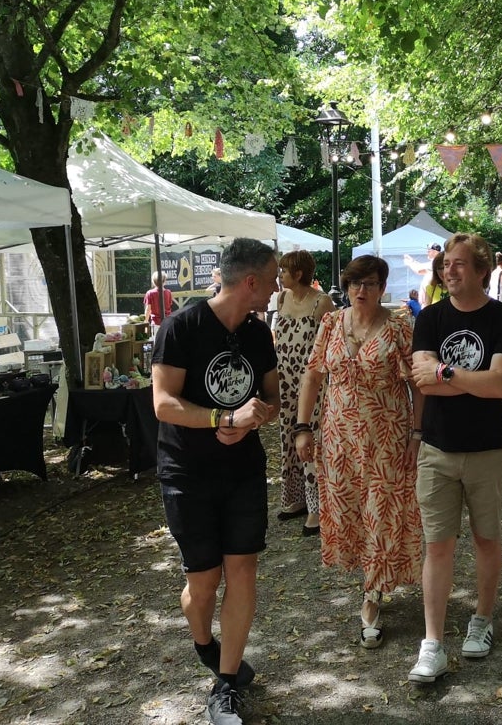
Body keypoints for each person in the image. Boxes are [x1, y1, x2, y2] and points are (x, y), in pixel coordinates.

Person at [150, 238, 282, 725]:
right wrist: (223, 419)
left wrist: (257, 417)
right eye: (271, 280)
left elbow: (272, 397)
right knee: (202, 585)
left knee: (242, 569)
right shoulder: (181, 327)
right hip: (187, 472)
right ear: (250, 282)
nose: (275, 289)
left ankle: (225, 686)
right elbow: (162, 404)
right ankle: (205, 641)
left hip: (243, 472)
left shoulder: (257, 334)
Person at [406, 233, 502, 684]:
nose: (448, 271)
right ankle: (432, 643)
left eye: (458, 264)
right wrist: (471, 378)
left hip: (489, 449)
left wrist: (447, 372)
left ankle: (482, 620)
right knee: (437, 545)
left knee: (486, 539)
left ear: (481, 271)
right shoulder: (431, 318)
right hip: (437, 449)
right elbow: (423, 381)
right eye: (445, 265)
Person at [294, 255, 424, 650]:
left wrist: (418, 433)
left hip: (387, 436)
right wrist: (302, 428)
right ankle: (371, 580)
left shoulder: (400, 327)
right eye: (354, 284)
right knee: (351, 510)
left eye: (368, 284)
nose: (360, 291)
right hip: (339, 439)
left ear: (382, 288)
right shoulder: (332, 324)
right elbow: (314, 375)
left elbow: (417, 385)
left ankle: (372, 595)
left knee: (382, 511)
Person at [270, 250, 335, 535]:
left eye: (284, 271)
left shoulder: (322, 303)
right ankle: (294, 498)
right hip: (284, 380)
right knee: (287, 437)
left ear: (298, 274)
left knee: (311, 440)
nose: (280, 275)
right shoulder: (282, 299)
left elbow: (333, 346)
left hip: (312, 382)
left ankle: (317, 507)